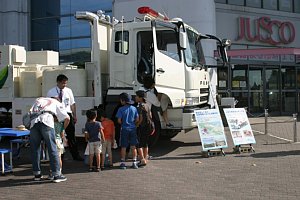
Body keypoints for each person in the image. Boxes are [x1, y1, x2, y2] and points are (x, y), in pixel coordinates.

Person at [29, 97, 70, 183]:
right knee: (52, 148)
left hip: (34, 122)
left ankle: (37, 174)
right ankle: (57, 175)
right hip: (46, 121)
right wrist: (62, 129)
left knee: (35, 149)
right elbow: (67, 117)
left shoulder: (38, 100)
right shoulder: (56, 102)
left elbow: (30, 111)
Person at [47, 74, 83, 161]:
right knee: (59, 135)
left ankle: (75, 155)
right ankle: (60, 155)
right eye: (63, 83)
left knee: (71, 135)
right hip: (57, 115)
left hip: (67, 113)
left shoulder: (68, 91)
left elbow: (72, 103)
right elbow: (48, 105)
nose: (64, 85)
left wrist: (74, 115)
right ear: (58, 82)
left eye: (66, 83)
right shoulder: (51, 92)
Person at [116, 92, 139, 169]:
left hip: (124, 129)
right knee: (133, 146)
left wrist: (123, 123)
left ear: (123, 101)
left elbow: (119, 120)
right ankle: (134, 162)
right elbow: (137, 119)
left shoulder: (121, 109)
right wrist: (133, 124)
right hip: (133, 129)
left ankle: (123, 163)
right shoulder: (134, 108)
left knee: (123, 146)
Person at [135, 90, 152, 166]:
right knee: (145, 143)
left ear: (140, 98)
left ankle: (142, 159)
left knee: (139, 144)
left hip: (142, 126)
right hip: (148, 126)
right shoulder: (147, 105)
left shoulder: (140, 106)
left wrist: (137, 124)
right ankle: (145, 158)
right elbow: (150, 116)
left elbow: (140, 118)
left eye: (136, 96)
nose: (135, 97)